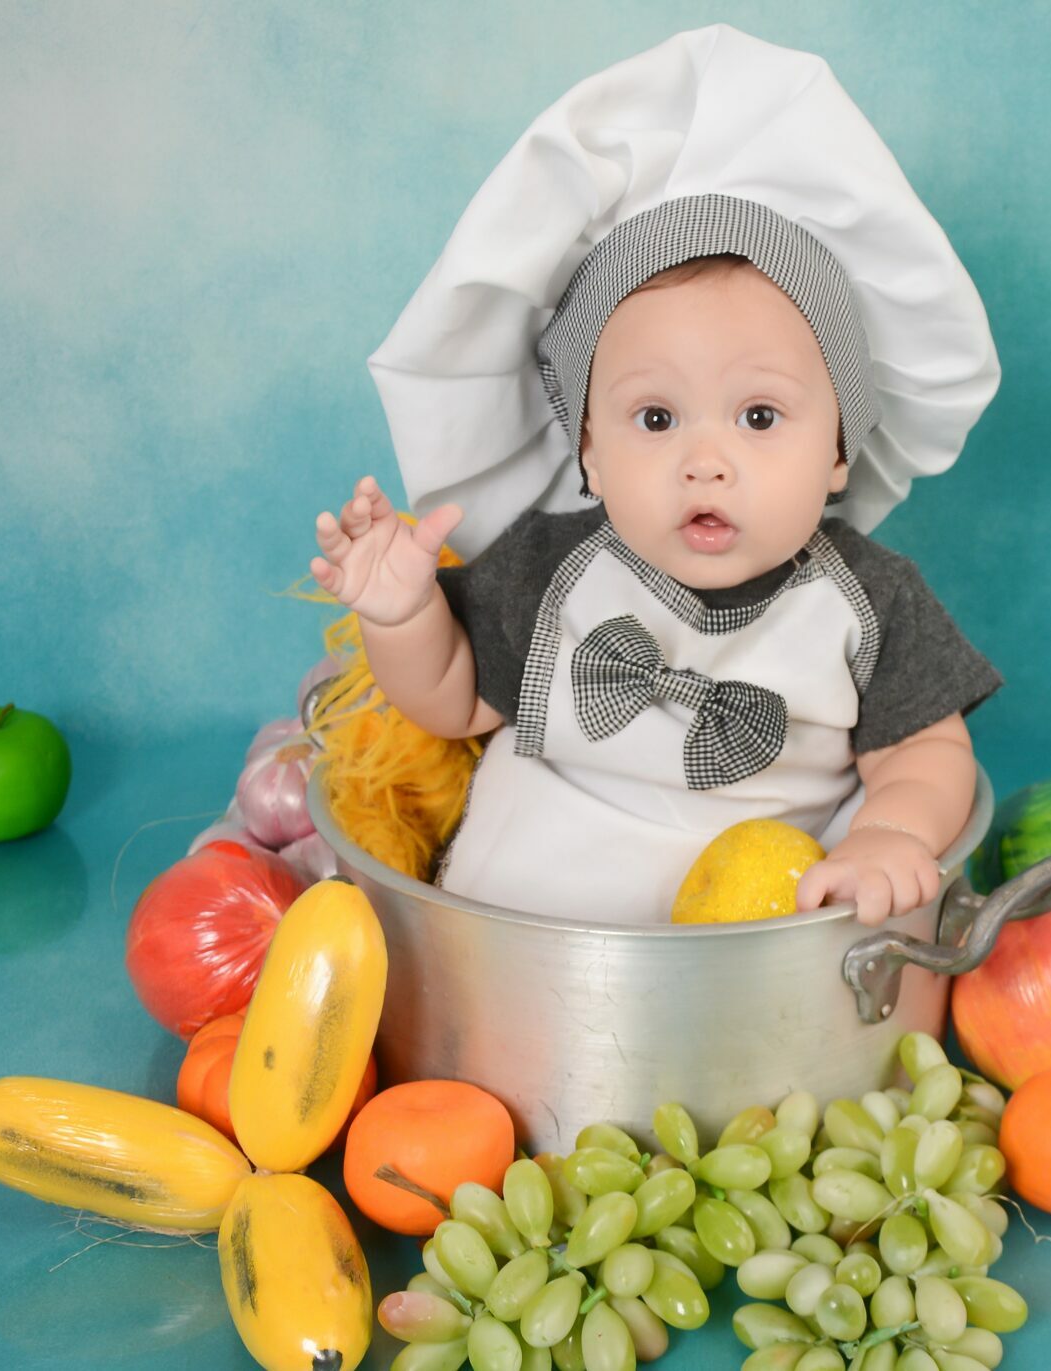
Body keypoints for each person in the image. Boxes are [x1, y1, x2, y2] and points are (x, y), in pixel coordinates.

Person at [309, 27, 1005, 926]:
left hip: (755, 929)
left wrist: (893, 833)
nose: (704, 461)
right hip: (520, 925)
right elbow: (452, 699)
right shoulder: (550, 569)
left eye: (760, 417)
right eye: (656, 419)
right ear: (590, 453)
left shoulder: (871, 602)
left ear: (839, 451)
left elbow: (924, 752)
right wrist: (402, 614)